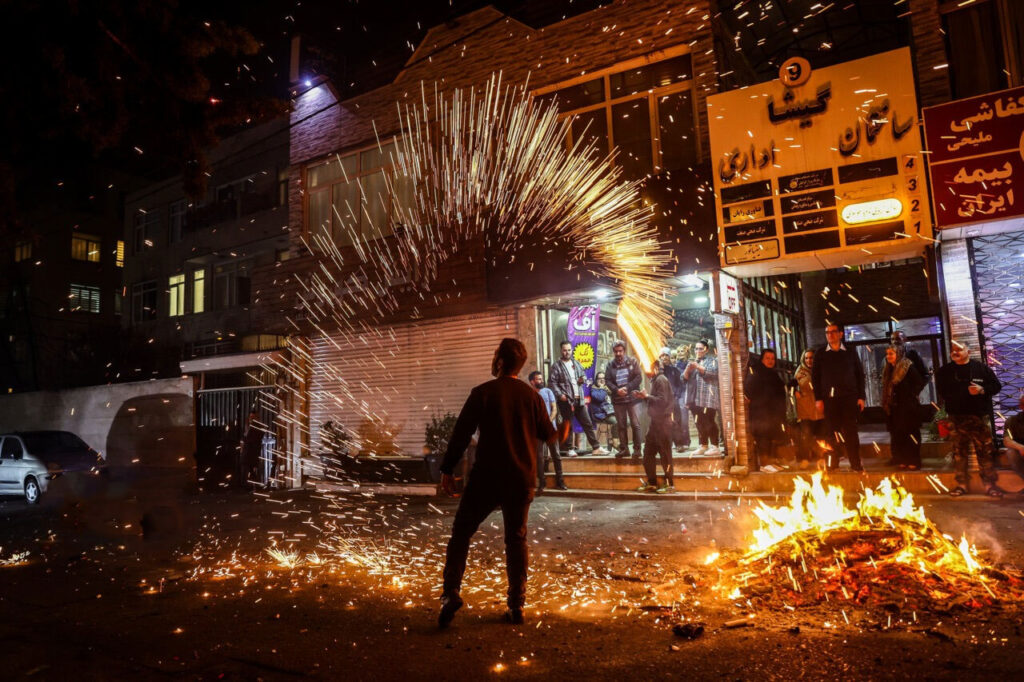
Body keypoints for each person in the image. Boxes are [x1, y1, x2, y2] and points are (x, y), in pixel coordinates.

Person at [438, 338, 563, 628]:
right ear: (520, 365)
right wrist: (561, 431)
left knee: (461, 533)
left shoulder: (483, 392)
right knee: (516, 539)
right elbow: (549, 433)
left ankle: (450, 593)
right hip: (521, 479)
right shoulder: (532, 397)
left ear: (500, 361)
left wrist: (447, 469)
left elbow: (460, 434)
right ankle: (516, 605)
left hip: (487, 478)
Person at [935, 340, 1004, 498]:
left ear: (968, 352)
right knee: (959, 454)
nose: (955, 352)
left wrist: (982, 390)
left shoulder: (981, 369)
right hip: (956, 418)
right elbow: (942, 391)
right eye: (953, 350)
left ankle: (989, 485)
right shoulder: (945, 371)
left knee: (985, 452)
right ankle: (961, 485)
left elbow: (996, 386)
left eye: (959, 349)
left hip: (978, 418)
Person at [812, 323, 866, 472]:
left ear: (841, 334)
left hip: (849, 397)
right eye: (827, 332)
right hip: (829, 400)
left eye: (833, 332)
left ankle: (855, 463)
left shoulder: (850, 351)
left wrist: (861, 396)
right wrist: (818, 399)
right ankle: (831, 463)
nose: (830, 335)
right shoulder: (821, 353)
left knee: (851, 432)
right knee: (831, 433)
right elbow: (815, 377)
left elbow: (859, 375)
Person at [548, 341, 607, 456]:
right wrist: (560, 395)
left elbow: (583, 375)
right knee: (568, 425)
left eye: (569, 350)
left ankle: (596, 447)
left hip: (578, 399)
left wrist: (582, 379)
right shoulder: (557, 366)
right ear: (561, 350)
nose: (567, 352)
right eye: (565, 350)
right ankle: (569, 449)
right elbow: (551, 382)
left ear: (571, 350)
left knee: (587, 423)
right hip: (566, 400)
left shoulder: (576, 363)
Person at [881, 344, 927, 470]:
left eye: (891, 353)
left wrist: (910, 395)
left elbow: (918, 382)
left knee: (911, 433)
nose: (888, 356)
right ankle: (902, 460)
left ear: (898, 354)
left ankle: (913, 460)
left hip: (908, 407)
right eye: (887, 354)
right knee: (898, 434)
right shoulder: (888, 368)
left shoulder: (907, 366)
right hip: (894, 407)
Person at [635, 360, 675, 493]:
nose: (646, 373)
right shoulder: (656, 380)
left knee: (665, 454)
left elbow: (662, 401)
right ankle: (652, 482)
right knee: (648, 453)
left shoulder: (661, 380)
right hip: (655, 423)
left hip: (663, 423)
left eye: (648, 369)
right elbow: (656, 400)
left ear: (656, 368)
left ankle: (669, 484)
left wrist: (647, 396)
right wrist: (645, 397)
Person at [744, 349, 787, 471]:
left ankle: (771, 462)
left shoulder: (772, 373)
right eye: (768, 358)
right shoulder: (756, 372)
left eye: (772, 358)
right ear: (762, 359)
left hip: (773, 414)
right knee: (763, 438)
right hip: (761, 414)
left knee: (771, 437)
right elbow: (748, 393)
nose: (770, 361)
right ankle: (764, 464)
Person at [605, 340, 643, 459]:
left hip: (632, 398)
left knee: (635, 424)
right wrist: (617, 390)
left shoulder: (632, 361)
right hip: (618, 400)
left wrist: (627, 388)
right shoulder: (610, 365)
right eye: (616, 351)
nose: (618, 354)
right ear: (613, 352)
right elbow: (607, 380)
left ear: (624, 351)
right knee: (621, 425)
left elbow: (638, 377)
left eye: (620, 351)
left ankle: (637, 450)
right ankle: (624, 449)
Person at [529, 370, 566, 493]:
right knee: (539, 457)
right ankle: (542, 483)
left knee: (556, 455)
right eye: (538, 379)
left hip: (550, 428)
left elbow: (554, 409)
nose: (541, 381)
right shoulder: (529, 395)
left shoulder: (548, 391)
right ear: (532, 382)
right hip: (537, 431)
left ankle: (560, 481)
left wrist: (549, 421)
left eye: (541, 378)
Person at [683, 339, 720, 456]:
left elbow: (712, 373)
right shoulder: (692, 362)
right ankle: (703, 445)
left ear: (706, 350)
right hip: (694, 398)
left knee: (709, 422)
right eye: (696, 348)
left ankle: (715, 446)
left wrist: (698, 366)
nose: (698, 351)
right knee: (699, 422)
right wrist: (687, 370)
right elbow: (683, 379)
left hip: (707, 398)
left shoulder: (712, 360)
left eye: (701, 348)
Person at [790, 349, 824, 468]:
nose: (809, 360)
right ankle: (805, 458)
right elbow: (793, 386)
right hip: (805, 408)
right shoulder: (800, 372)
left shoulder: (820, 369)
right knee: (806, 434)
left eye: (811, 358)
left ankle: (822, 457)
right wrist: (796, 392)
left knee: (820, 434)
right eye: (807, 358)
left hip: (819, 408)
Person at [587, 371, 618, 450]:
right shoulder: (593, 389)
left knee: (626, 421)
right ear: (596, 380)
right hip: (600, 413)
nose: (601, 380)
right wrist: (601, 388)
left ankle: (611, 439)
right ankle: (615, 441)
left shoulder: (607, 388)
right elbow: (600, 398)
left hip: (610, 412)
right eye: (599, 378)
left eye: (603, 378)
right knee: (616, 422)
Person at [1000, 394, 1024, 494]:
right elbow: (1007, 440)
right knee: (1011, 453)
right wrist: (1020, 447)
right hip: (1020, 450)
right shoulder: (1013, 420)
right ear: (1021, 406)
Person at [672, 347, 692, 451]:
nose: (680, 353)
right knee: (678, 419)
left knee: (684, 419)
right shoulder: (675, 366)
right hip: (678, 393)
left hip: (687, 392)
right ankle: (680, 441)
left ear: (687, 353)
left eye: (682, 351)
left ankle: (686, 441)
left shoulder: (690, 364)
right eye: (678, 351)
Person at [240, 410, 264, 487]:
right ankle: (248, 484)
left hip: (253, 450)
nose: (251, 418)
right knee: (247, 466)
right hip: (247, 450)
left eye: (253, 417)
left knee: (251, 466)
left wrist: (246, 440)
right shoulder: (248, 426)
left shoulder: (259, 427)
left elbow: (255, 438)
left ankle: (252, 484)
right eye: (250, 417)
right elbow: (245, 436)